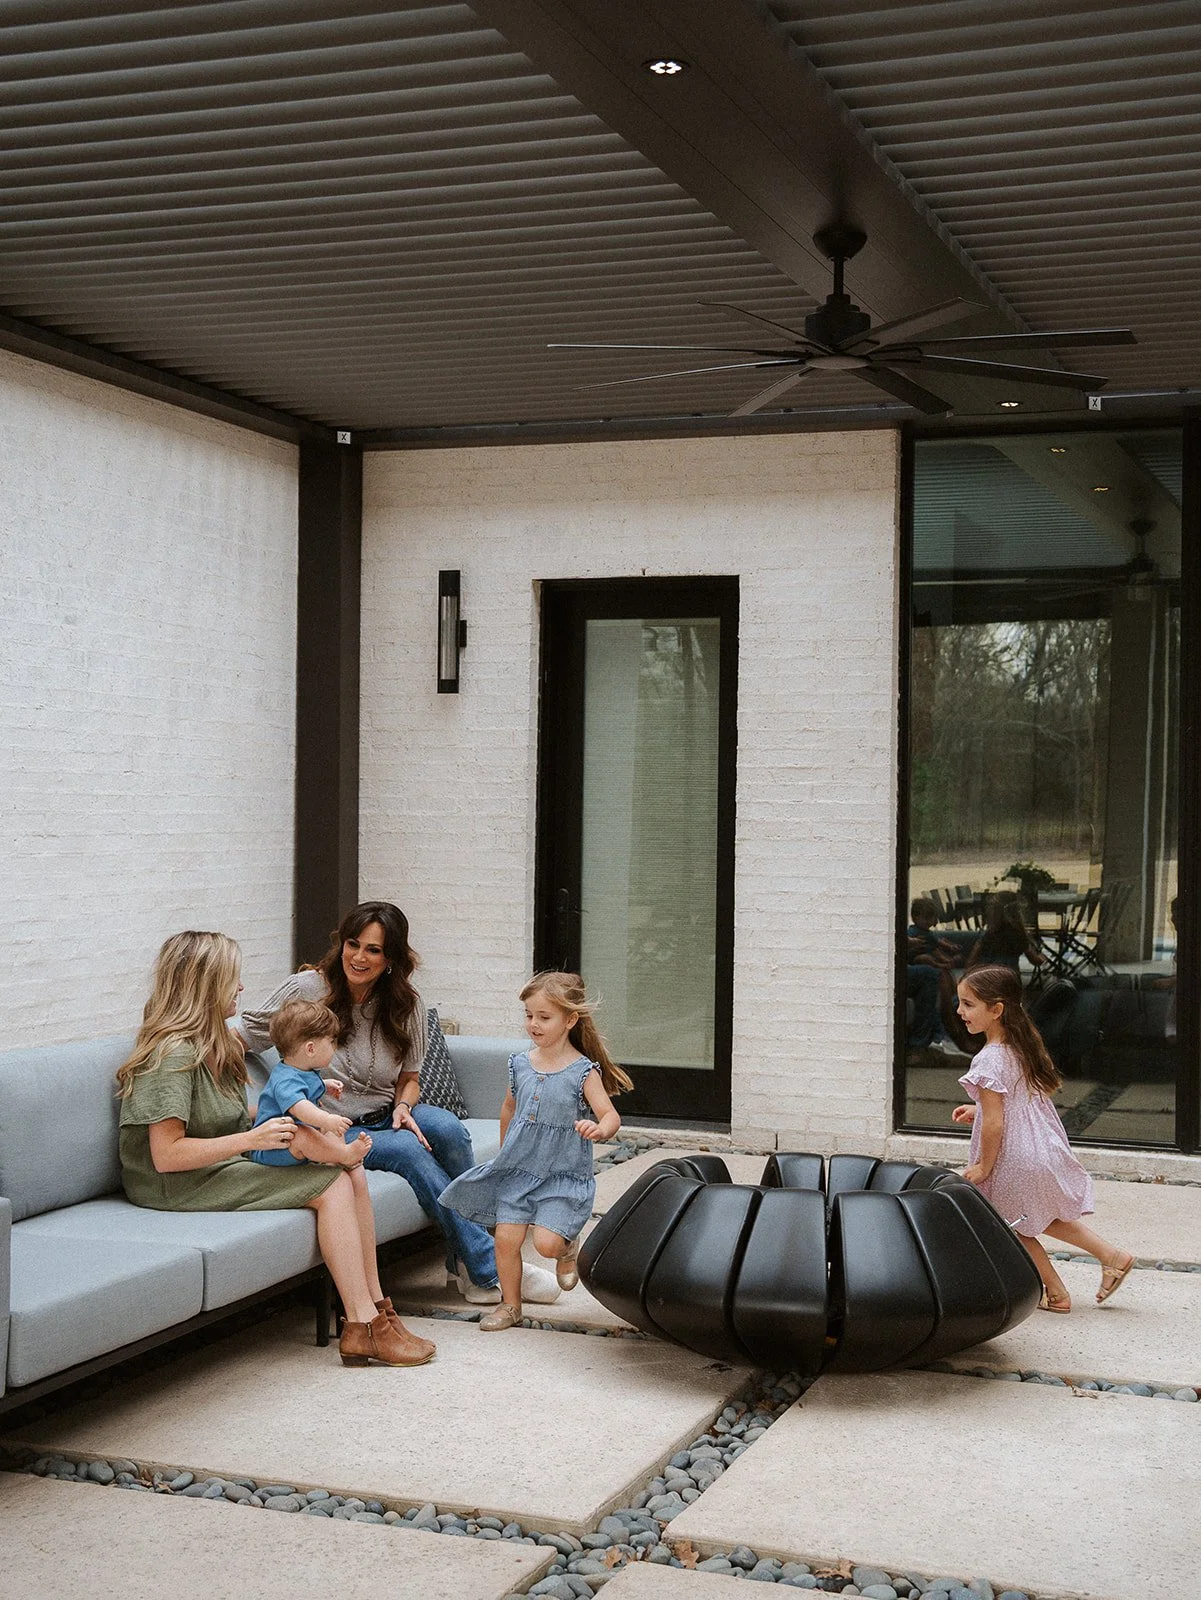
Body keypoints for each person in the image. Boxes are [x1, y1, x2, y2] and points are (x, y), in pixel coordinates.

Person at [117, 931, 435, 1368]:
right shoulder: (172, 1055)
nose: (242, 988)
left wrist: (273, 1120)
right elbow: (166, 1156)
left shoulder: (212, 1045)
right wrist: (253, 1139)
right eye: (234, 978)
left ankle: (378, 1313)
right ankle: (361, 1325)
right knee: (333, 1183)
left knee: (348, 1171)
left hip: (215, 1163)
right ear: (207, 985)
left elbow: (225, 1113)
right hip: (175, 1183)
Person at [236, 901, 561, 1307]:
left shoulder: (406, 1003)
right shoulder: (308, 990)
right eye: (353, 944)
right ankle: (488, 1265)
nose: (359, 957)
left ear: (391, 958)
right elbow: (245, 1033)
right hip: (334, 1125)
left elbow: (410, 1078)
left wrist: (404, 1107)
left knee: (448, 1129)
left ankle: (464, 1261)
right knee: (410, 1150)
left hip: (389, 1112)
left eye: (373, 949)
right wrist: (198, 1061)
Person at [440, 972, 631, 1332]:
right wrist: (503, 1153)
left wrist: (599, 1128)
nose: (533, 1024)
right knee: (506, 1240)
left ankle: (566, 1247)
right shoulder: (520, 1064)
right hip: (519, 1170)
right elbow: (509, 1108)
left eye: (544, 1017)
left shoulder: (582, 1071)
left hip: (561, 1175)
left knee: (544, 1245)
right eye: (529, 1015)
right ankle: (510, 1306)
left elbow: (610, 1114)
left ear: (570, 1020)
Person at [951, 963, 1135, 1314]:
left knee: (1011, 1224)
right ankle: (1113, 1256)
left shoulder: (988, 1059)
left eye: (968, 1004)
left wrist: (982, 1167)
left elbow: (995, 1124)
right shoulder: (1019, 1046)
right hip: (1035, 1147)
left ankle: (1055, 1292)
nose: (960, 1012)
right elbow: (1011, 1102)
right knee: (1037, 1218)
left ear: (997, 1009)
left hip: (1012, 1156)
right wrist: (978, 1109)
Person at [248, 998, 372, 1170]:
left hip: (287, 1143)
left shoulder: (303, 1070)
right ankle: (344, 1155)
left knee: (332, 1132)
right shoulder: (285, 1080)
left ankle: (336, 1158)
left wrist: (324, 1085)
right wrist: (327, 1120)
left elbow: (304, 1087)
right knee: (302, 1133)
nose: (334, 1047)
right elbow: (301, 1109)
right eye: (331, 1042)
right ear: (311, 1049)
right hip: (271, 1147)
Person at [967, 890, 1046, 973]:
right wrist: (1042, 958)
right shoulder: (1018, 935)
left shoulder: (989, 934)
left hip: (988, 976)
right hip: (1009, 978)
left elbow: (971, 960)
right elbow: (1035, 961)